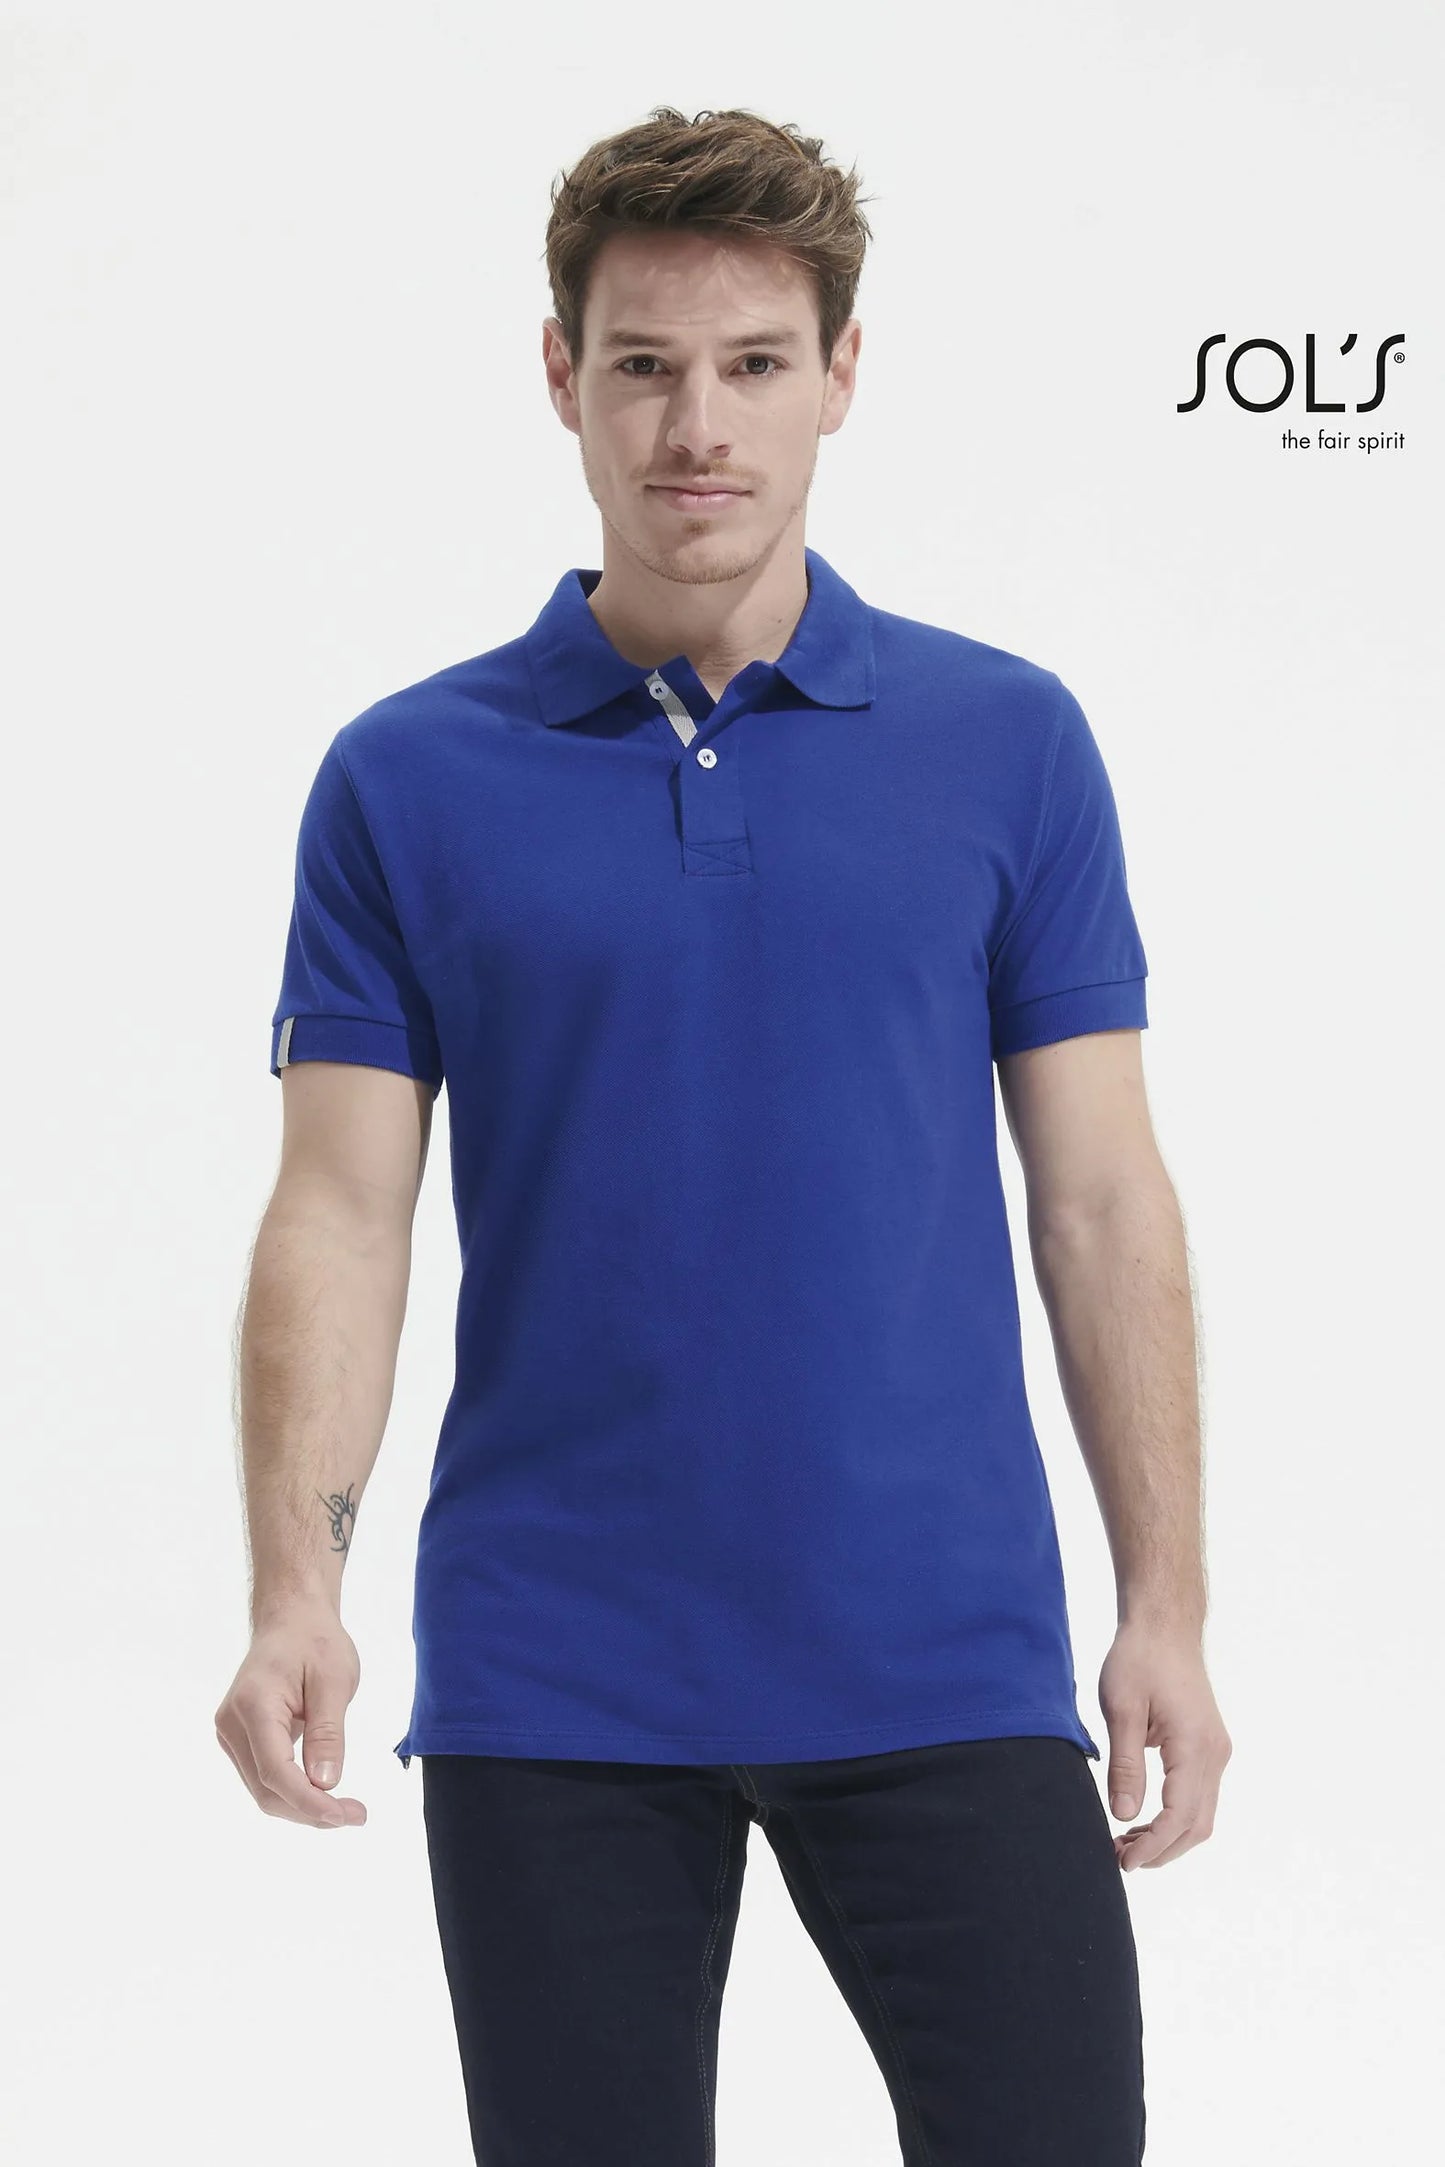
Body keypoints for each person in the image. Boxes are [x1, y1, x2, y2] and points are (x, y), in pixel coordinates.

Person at [215, 103, 1230, 2166]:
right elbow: (339, 1215)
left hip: (943, 1652)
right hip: (556, 1676)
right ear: (560, 376)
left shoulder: (1008, 743)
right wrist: (292, 1591)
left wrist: (1167, 1606)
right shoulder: (406, 777)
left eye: (755, 363)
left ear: (841, 375)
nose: (698, 426)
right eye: (645, 365)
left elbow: (1102, 1200)